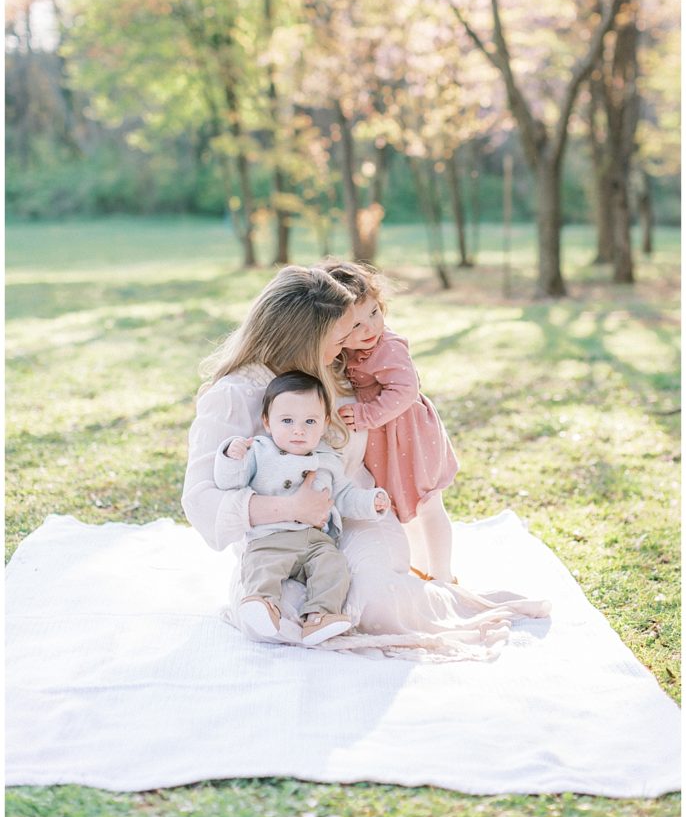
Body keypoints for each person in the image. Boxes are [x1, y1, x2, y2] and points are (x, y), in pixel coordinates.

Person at [182, 264, 550, 661]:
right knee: (283, 617)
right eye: (338, 337)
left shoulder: (336, 369)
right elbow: (199, 497)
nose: (346, 348)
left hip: (352, 511)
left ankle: (445, 597)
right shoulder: (234, 394)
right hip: (275, 535)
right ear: (304, 338)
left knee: (375, 605)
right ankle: (269, 598)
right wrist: (291, 508)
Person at [214, 370, 390, 646]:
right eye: (287, 421)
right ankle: (262, 603)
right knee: (262, 565)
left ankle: (319, 616)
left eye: (310, 421)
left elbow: (343, 496)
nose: (299, 429)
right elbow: (230, 482)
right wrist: (230, 456)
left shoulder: (328, 460)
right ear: (267, 422)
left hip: (316, 541)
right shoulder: (259, 451)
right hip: (271, 537)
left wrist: (371, 502)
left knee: (334, 566)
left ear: (324, 423)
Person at [321, 260, 458, 583]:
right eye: (355, 325)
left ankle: (442, 573)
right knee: (400, 506)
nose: (369, 328)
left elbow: (406, 389)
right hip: (386, 442)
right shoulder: (345, 352)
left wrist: (367, 414)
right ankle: (420, 566)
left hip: (411, 434)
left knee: (427, 503)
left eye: (374, 313)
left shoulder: (389, 346)